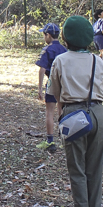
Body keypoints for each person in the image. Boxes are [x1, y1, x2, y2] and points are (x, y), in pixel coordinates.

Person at [47, 16, 103, 207]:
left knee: (76, 165)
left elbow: (55, 93)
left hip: (73, 113)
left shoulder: (61, 60)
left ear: (65, 38)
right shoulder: (97, 61)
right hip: (98, 112)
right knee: (95, 165)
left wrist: (61, 114)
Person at [35, 23, 67, 153]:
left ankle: (50, 141)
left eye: (44, 35)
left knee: (49, 111)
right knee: (62, 111)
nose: (44, 37)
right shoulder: (65, 49)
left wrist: (40, 88)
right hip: (64, 84)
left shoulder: (47, 49)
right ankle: (65, 139)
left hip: (52, 83)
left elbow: (42, 69)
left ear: (48, 35)